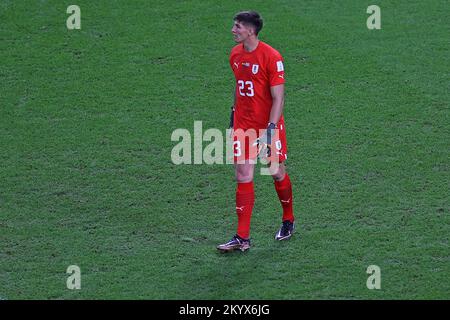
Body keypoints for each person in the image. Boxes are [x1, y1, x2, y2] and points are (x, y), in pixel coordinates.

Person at [217, 11, 296, 252]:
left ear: (250, 30)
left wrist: (271, 129)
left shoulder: (271, 57)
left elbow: (278, 98)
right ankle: (242, 237)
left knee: (275, 170)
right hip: (243, 124)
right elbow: (239, 87)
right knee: (243, 174)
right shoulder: (235, 55)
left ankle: (288, 219)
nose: (233, 30)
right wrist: (233, 113)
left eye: (238, 26)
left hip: (267, 126)